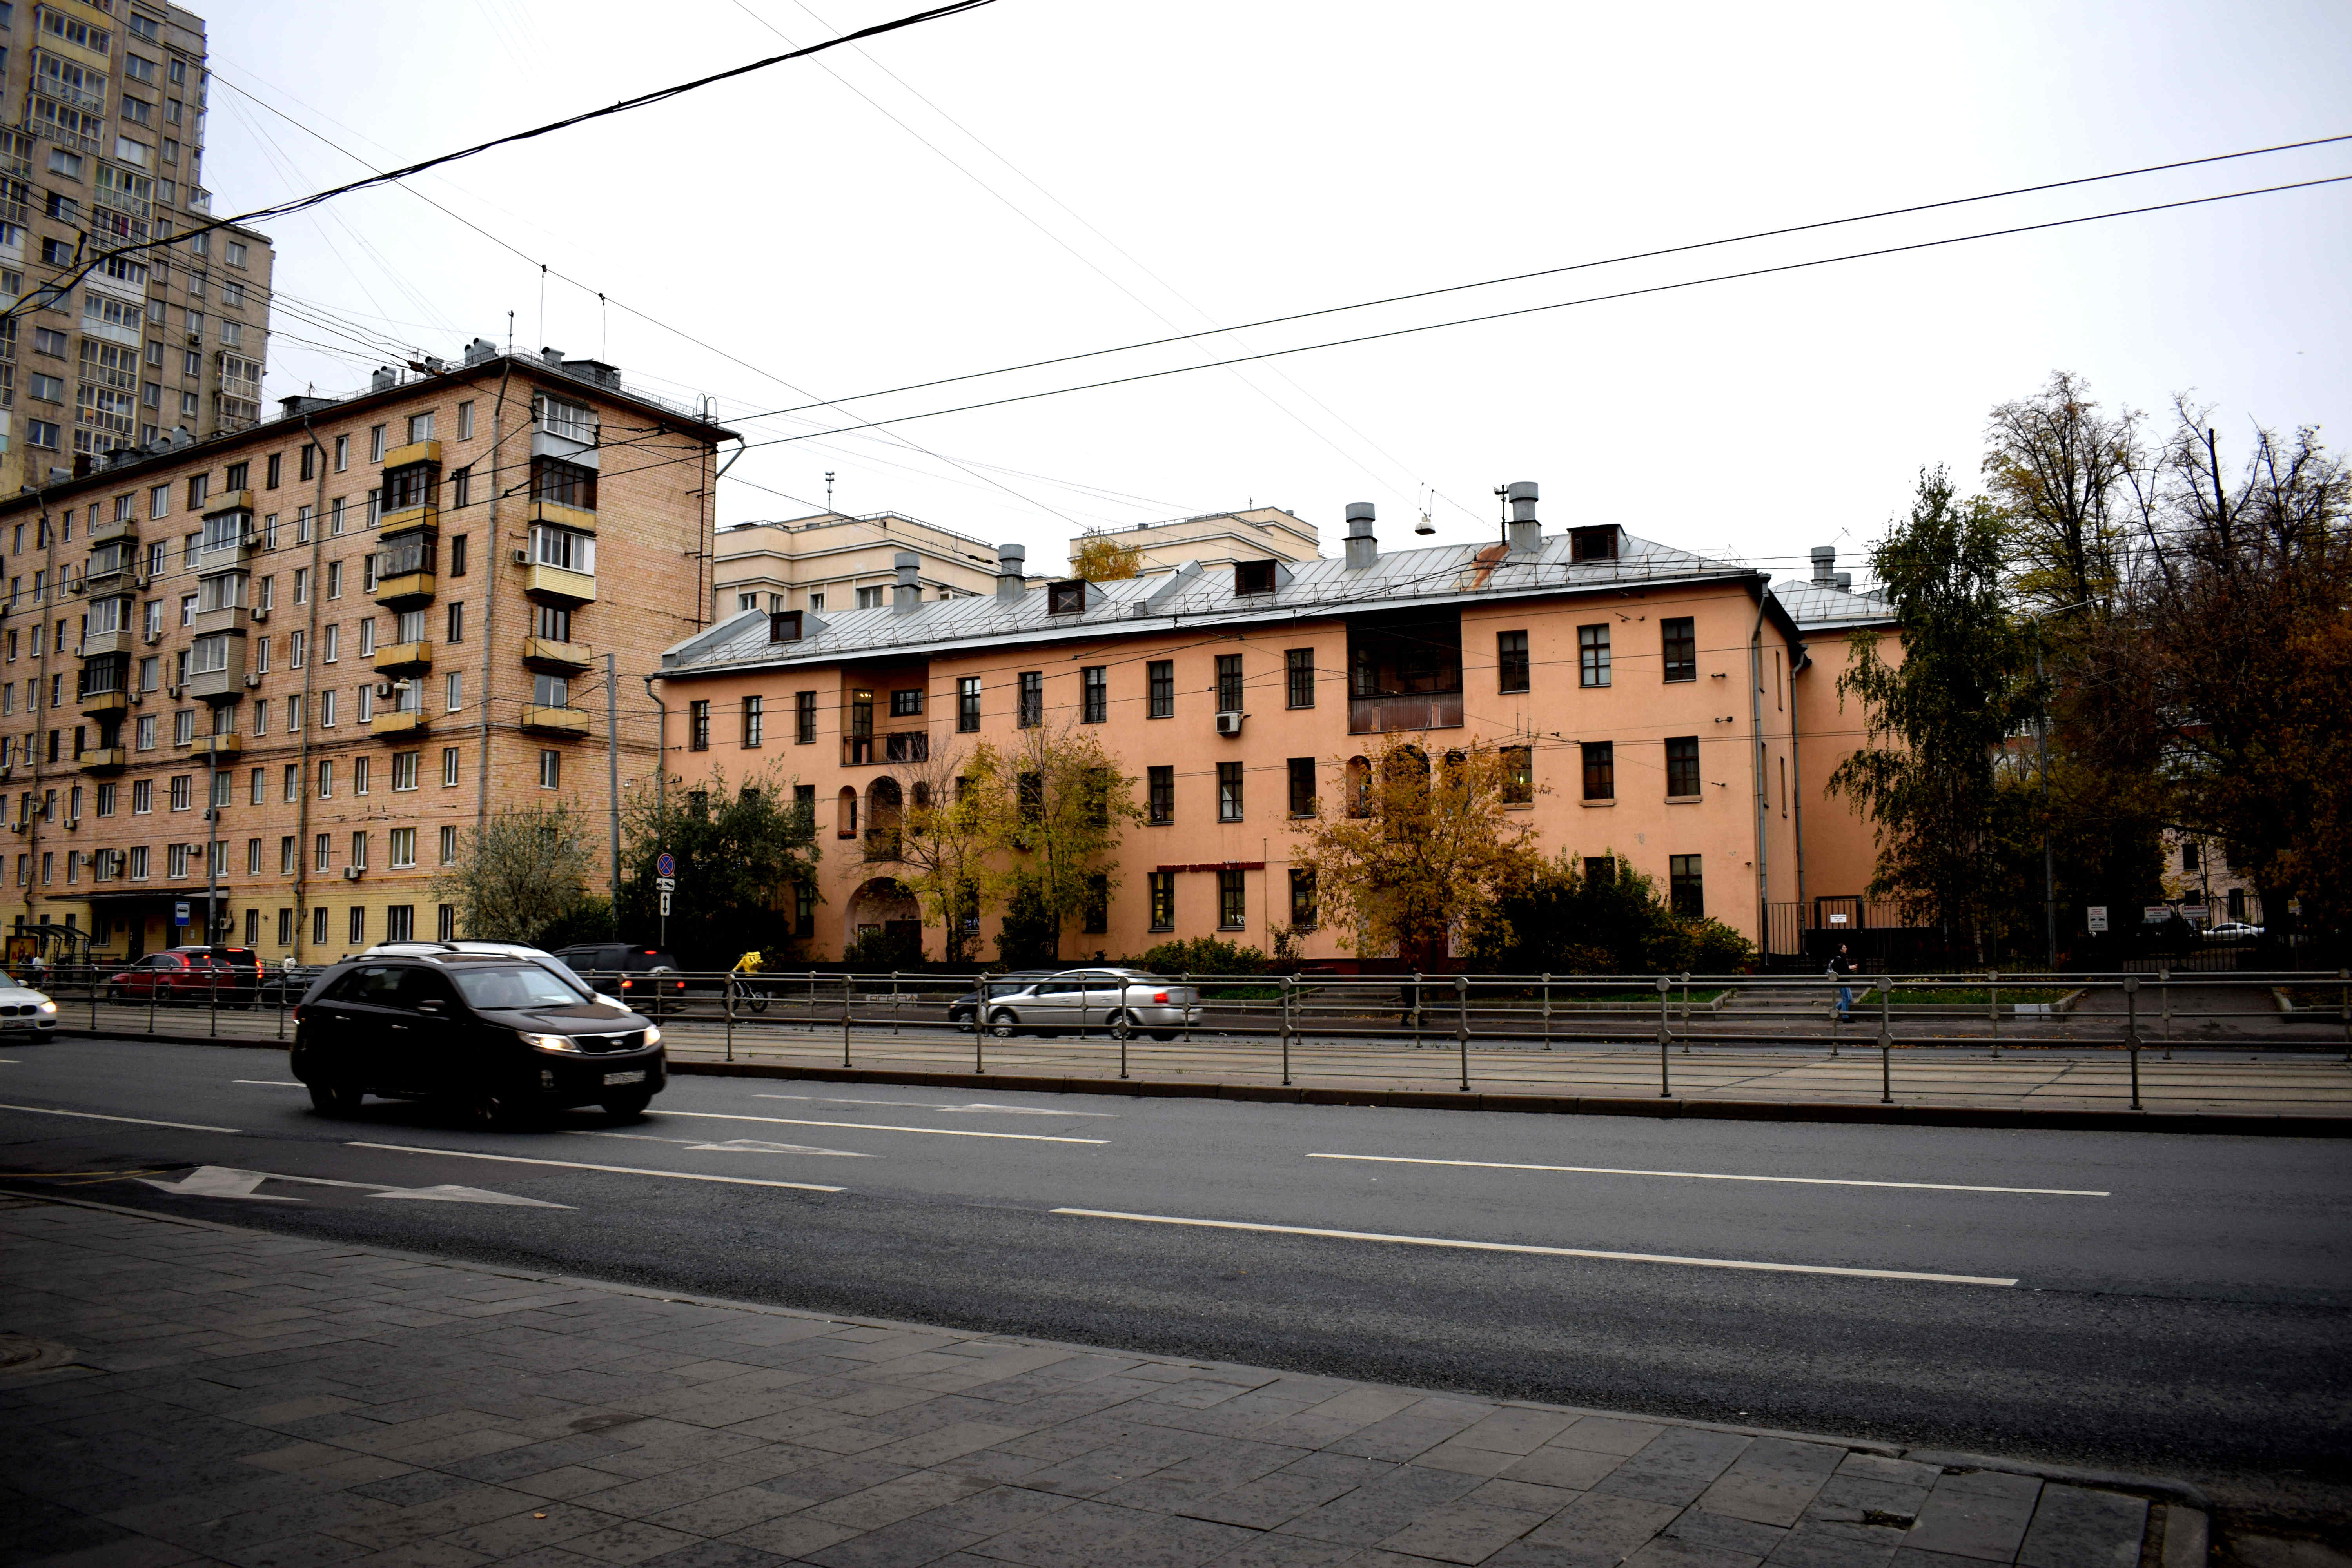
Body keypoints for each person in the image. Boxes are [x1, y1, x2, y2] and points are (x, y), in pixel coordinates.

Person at [1827, 943, 1855, 1023]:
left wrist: (1849, 969)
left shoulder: (1841, 957)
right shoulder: (1839, 958)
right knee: (1846, 998)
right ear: (1841, 949)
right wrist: (1850, 968)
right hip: (1842, 981)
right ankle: (1845, 1017)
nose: (1846, 949)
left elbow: (1843, 969)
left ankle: (1834, 1010)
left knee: (1849, 998)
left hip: (1845, 981)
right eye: (1844, 947)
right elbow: (1841, 970)